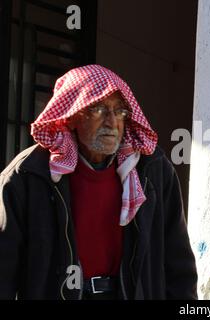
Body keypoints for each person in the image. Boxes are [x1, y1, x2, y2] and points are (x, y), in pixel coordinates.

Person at [0, 64, 197, 300]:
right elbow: (4, 270)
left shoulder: (153, 171)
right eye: (98, 109)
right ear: (71, 117)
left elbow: (179, 264)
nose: (112, 122)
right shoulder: (29, 175)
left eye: (120, 111)